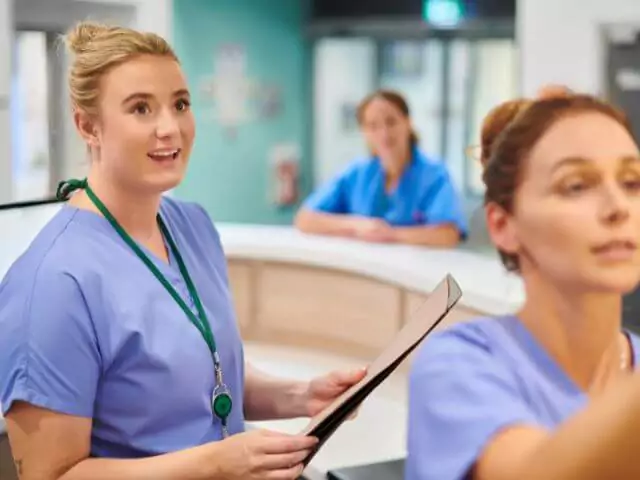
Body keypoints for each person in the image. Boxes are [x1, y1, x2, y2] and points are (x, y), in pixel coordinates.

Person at [0, 22, 367, 480]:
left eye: (180, 103)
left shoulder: (191, 226)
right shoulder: (52, 284)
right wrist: (214, 464)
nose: (170, 128)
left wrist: (300, 395)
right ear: (87, 126)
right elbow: (51, 476)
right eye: (141, 109)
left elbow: (202, 375)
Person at [405, 92, 640, 479]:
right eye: (576, 185)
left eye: (631, 182)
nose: (618, 207)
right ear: (503, 225)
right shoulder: (456, 366)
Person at [294, 90, 467, 247]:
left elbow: (447, 235)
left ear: (408, 123)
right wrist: (358, 225)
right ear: (364, 132)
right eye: (373, 126)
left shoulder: (434, 175)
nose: (384, 133)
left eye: (391, 122)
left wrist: (391, 234)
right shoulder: (357, 174)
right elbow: (305, 219)